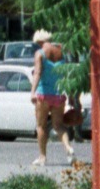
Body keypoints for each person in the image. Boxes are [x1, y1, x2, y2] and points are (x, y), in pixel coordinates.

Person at [30, 29, 73, 165]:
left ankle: (42, 157)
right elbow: (67, 74)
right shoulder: (61, 53)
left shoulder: (40, 54)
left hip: (43, 95)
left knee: (41, 126)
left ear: (40, 41)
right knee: (59, 125)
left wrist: (32, 92)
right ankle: (68, 148)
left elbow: (37, 73)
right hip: (58, 95)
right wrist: (70, 95)